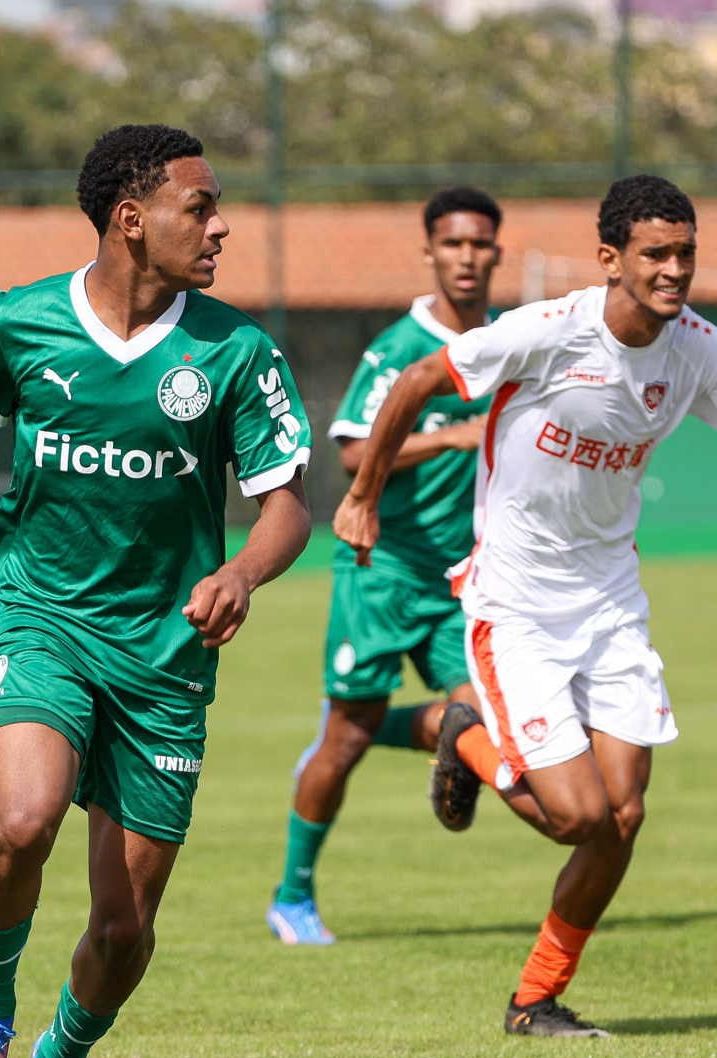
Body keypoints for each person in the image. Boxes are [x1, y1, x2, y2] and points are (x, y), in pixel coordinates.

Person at [332, 174, 717, 1035]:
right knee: (576, 817)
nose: (674, 270)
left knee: (623, 816)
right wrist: (363, 496)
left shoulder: (700, 348)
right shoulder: (550, 330)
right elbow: (415, 382)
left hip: (610, 603)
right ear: (610, 259)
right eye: (656, 254)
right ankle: (468, 739)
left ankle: (535, 999)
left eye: (685, 254)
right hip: (515, 603)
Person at [0, 123, 312, 1058]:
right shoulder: (20, 322)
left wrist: (240, 572)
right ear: (131, 218)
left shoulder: (234, 351)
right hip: (39, 614)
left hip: (164, 653)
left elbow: (286, 506)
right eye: (199, 207)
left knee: (123, 927)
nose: (219, 227)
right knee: (23, 820)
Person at [266, 187, 502, 947]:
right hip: (382, 570)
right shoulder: (401, 348)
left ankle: (367, 726)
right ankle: (292, 897)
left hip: (461, 581)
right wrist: (450, 435)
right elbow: (352, 453)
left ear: (497, 252)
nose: (466, 257)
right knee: (342, 744)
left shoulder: (507, 343)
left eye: (479, 244)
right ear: (429, 252)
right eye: (453, 243)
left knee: (487, 726)